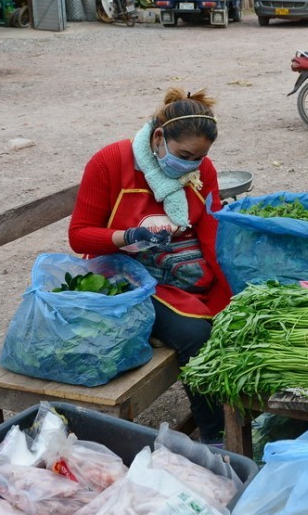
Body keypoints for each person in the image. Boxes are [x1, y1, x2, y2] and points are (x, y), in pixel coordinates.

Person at [69, 87, 232, 443]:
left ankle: (237, 416)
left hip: (179, 265)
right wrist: (128, 236)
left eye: (199, 158)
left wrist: (231, 284)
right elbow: (79, 236)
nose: (191, 166)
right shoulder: (111, 161)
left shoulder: (202, 169)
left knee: (233, 316)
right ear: (159, 137)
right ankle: (216, 436)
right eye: (185, 155)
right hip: (124, 274)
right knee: (196, 335)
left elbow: (210, 230)